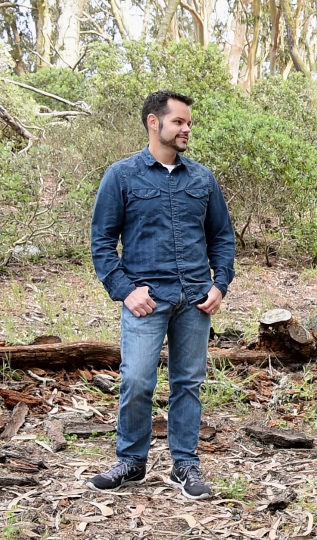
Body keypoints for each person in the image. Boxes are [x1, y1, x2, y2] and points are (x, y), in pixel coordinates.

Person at [87, 90, 235, 500]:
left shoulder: (203, 179)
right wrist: (124, 291)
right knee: (136, 379)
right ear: (154, 123)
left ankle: (185, 464)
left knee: (188, 382)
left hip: (194, 300)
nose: (187, 129)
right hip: (146, 300)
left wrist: (219, 283)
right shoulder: (122, 175)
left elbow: (222, 237)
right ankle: (131, 462)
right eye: (179, 122)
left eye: (189, 123)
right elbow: (102, 241)